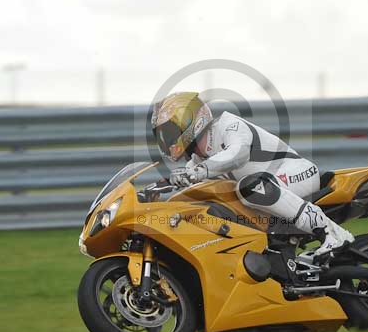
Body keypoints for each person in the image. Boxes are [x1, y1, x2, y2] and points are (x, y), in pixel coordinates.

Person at [151, 91, 354, 256]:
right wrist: (155, 190)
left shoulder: (229, 125)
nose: (167, 140)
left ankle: (331, 232)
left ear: (190, 120)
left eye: (168, 132)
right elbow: (187, 184)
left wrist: (200, 171)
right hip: (269, 189)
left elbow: (237, 154)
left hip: (297, 173)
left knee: (249, 188)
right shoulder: (197, 161)